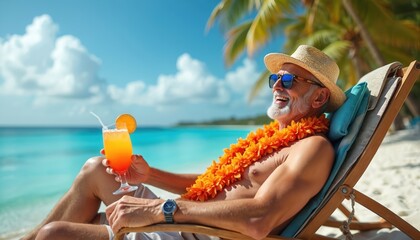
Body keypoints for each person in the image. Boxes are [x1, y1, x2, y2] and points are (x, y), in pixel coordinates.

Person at [22, 45, 346, 240]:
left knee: (57, 234)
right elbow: (214, 187)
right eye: (275, 78)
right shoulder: (272, 140)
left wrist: (157, 208)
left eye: (288, 80)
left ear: (319, 96)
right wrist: (148, 175)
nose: (277, 85)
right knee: (97, 168)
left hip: (200, 233)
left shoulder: (311, 148)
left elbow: (259, 218)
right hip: (187, 219)